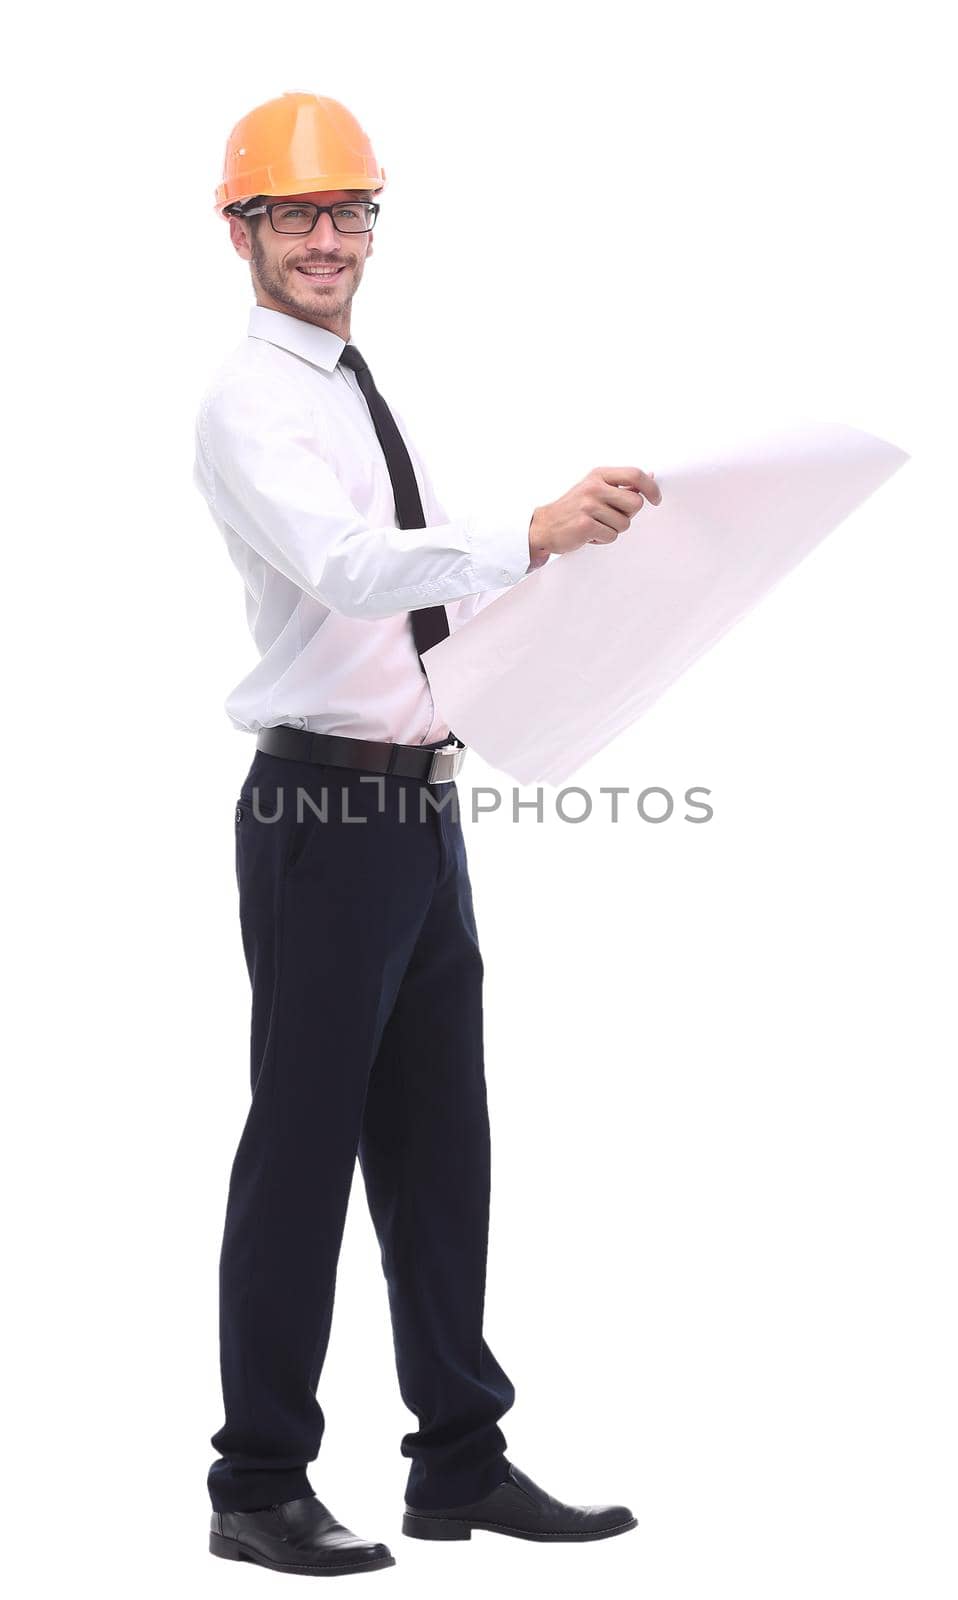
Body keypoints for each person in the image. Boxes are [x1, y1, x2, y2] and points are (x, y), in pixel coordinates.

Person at [193, 90, 661, 1578]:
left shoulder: (350, 384)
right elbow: (346, 567)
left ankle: (458, 1458)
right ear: (242, 232)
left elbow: (428, 591)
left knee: (437, 1146)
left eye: (347, 213)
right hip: (322, 812)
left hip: (414, 811)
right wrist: (526, 530)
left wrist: (595, 563)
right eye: (295, 215)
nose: (326, 238)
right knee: (305, 1152)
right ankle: (257, 1482)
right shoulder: (253, 401)